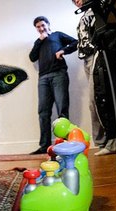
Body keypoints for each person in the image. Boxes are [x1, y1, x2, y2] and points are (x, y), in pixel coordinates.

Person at [73, 0, 116, 156]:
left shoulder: (97, 8)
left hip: (97, 55)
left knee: (98, 98)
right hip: (86, 59)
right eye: (73, 0)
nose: (76, 1)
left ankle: (112, 141)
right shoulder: (83, 16)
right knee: (94, 101)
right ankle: (101, 142)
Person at [29, 16, 78, 154]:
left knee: (62, 108)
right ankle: (44, 146)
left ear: (48, 25)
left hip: (58, 74)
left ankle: (64, 144)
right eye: (38, 27)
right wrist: (39, 40)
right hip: (43, 78)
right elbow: (32, 57)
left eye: (42, 25)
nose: (41, 28)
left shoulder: (57, 35)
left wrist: (63, 50)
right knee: (43, 112)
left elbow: (76, 42)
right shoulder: (38, 42)